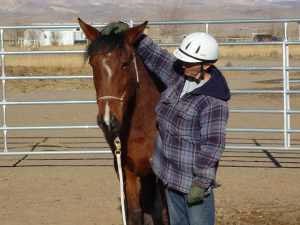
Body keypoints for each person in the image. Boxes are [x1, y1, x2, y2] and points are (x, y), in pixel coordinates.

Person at [103, 22, 230, 225]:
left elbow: (213, 146)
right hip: (170, 178)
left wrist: (201, 182)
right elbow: (158, 58)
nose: (183, 65)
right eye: (182, 61)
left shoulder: (213, 103)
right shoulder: (180, 78)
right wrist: (132, 35)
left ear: (206, 65)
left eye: (189, 63)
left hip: (192, 183)